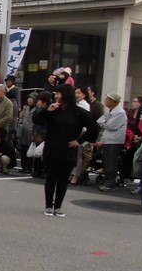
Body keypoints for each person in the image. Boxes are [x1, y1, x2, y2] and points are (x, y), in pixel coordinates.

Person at [32, 84, 99, 217]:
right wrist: (47, 110)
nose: (55, 96)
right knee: (50, 178)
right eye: (55, 93)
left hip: (68, 149)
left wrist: (79, 141)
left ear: (66, 95)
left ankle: (58, 206)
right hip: (51, 148)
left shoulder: (78, 112)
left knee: (63, 180)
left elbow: (94, 127)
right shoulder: (53, 109)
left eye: (58, 93)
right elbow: (37, 120)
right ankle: (48, 206)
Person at [96, 92, 127, 191]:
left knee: (111, 162)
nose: (106, 100)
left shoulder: (120, 112)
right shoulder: (109, 111)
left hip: (115, 141)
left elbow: (111, 126)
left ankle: (110, 183)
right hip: (107, 140)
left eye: (108, 99)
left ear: (114, 101)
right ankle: (107, 180)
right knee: (106, 162)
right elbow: (99, 121)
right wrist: (106, 123)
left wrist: (105, 123)